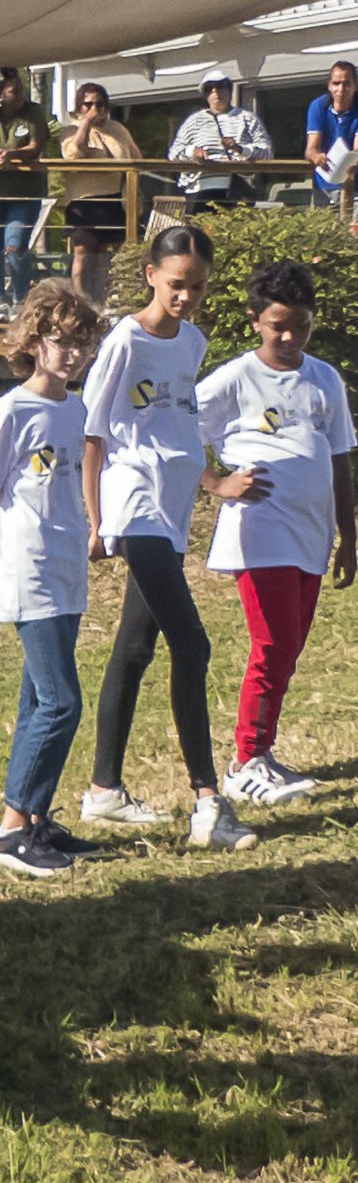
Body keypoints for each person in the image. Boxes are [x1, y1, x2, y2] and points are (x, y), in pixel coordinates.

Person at [79, 226, 255, 848]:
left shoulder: (194, 343)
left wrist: (212, 482)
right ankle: (209, 802)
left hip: (173, 513)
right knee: (193, 643)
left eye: (198, 287)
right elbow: (94, 433)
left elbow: (181, 429)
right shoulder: (124, 342)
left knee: (134, 647)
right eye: (177, 284)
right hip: (134, 507)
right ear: (152, 275)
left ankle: (102, 791)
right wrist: (97, 521)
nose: (186, 297)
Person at [196, 259, 357, 805]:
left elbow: (339, 459)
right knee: (272, 643)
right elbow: (172, 431)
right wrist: (217, 482)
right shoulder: (236, 378)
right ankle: (245, 762)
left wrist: (348, 536)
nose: (289, 337)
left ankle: (262, 752)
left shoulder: (324, 378)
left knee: (288, 649)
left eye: (301, 326)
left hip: (312, 536)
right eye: (277, 325)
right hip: (260, 531)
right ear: (254, 321)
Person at [0, 281, 106, 877]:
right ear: (33, 341)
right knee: (61, 701)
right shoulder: (12, 410)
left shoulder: (74, 409)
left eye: (82, 342)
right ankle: (8, 829)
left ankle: (34, 820)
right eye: (60, 341)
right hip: (26, 566)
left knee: (36, 697)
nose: (71, 353)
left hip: (65, 562)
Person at [0, 65, 52, 321]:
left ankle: (21, 299)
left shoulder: (33, 112)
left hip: (24, 192)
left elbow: (36, 145)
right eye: (15, 91)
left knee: (14, 246)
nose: (21, 96)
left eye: (22, 90)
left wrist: (11, 155)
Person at [59, 82, 138, 306]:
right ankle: (78, 299)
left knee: (104, 254)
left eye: (100, 104)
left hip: (113, 200)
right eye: (88, 104)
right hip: (83, 201)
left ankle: (101, 300)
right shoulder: (71, 130)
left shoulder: (118, 130)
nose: (95, 108)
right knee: (83, 250)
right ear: (79, 107)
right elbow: (75, 152)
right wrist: (86, 123)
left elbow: (136, 157)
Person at [167, 71, 272, 210]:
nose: (216, 92)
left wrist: (239, 149)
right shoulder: (193, 121)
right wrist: (192, 151)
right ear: (205, 95)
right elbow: (173, 153)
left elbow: (267, 153)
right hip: (199, 190)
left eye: (221, 86)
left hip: (236, 189)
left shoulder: (247, 118)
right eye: (209, 88)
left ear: (229, 90)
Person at [303, 60, 358, 208]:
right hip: (323, 184)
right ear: (329, 85)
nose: (341, 89)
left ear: (355, 85)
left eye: (347, 83)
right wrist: (316, 156)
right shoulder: (318, 106)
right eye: (336, 83)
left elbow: (356, 152)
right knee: (324, 229)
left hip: (355, 185)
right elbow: (311, 149)